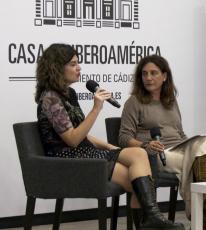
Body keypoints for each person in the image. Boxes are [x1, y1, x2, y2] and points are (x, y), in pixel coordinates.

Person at [35, 44, 184, 230]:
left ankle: (152, 219)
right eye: (73, 64)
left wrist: (109, 147)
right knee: (138, 181)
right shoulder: (50, 98)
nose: (79, 68)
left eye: (78, 63)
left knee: (138, 157)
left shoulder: (69, 94)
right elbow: (73, 139)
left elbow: (83, 134)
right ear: (57, 67)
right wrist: (96, 109)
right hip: (68, 161)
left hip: (85, 153)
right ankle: (152, 219)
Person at [118, 54, 206, 229]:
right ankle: (201, 219)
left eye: (153, 73)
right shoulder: (134, 102)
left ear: (164, 76)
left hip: (180, 148)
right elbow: (123, 138)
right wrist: (145, 145)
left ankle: (201, 214)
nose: (148, 78)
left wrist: (192, 144)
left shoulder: (170, 101)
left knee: (205, 144)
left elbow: (179, 132)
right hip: (157, 153)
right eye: (144, 74)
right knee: (201, 161)